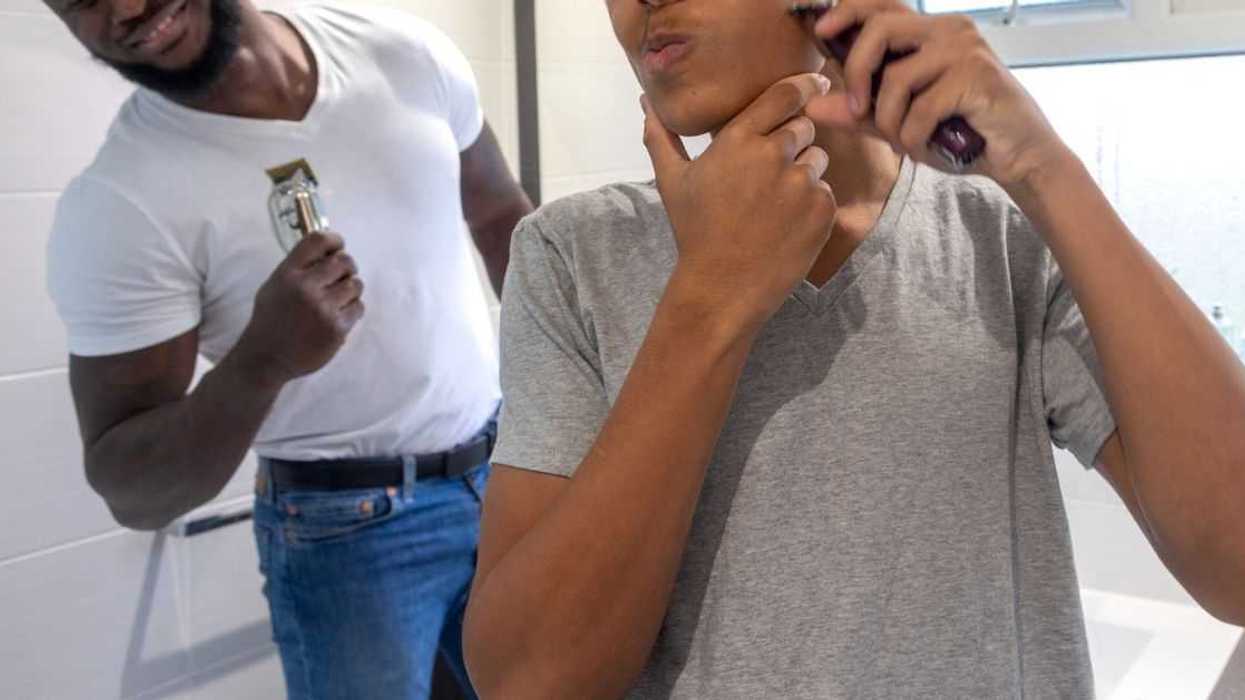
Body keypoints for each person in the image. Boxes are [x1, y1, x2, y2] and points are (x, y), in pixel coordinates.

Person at [463, 0, 1245, 697]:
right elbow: (528, 682)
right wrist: (708, 302)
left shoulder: (1002, 236)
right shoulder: (571, 255)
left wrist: (1041, 165)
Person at [43, 0, 532, 697]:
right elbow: (133, 488)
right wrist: (261, 361)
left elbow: (498, 213)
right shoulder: (120, 200)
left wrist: (573, 402)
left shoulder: (404, 53)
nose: (123, 8)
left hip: (508, 476)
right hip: (349, 538)